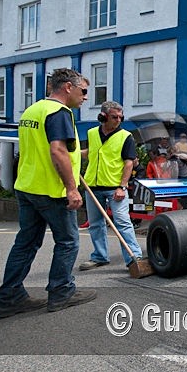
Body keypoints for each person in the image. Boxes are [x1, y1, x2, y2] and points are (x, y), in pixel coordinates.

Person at [0, 67, 94, 319]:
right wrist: (72, 188)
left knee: (26, 243)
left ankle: (9, 297)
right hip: (51, 190)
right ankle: (61, 292)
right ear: (68, 87)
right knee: (68, 241)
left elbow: (43, 148)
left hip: (27, 187)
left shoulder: (33, 110)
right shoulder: (60, 112)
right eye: (83, 91)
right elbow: (57, 151)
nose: (85, 97)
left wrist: (82, 155)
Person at [79, 101, 145, 271]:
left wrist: (122, 187)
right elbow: (91, 152)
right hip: (93, 186)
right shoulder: (92, 133)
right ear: (103, 116)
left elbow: (129, 163)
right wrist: (72, 154)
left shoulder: (126, 136)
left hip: (115, 188)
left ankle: (134, 257)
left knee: (123, 223)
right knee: (95, 224)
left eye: (120, 117)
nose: (118, 120)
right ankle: (100, 256)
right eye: (114, 117)